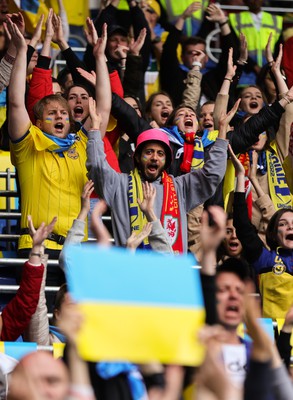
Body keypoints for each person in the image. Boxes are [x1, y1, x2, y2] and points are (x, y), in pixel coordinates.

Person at [7, 19, 110, 284]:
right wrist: (21, 51)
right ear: (39, 123)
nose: (61, 116)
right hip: (36, 247)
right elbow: (17, 102)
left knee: (72, 324)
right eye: (52, 113)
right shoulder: (29, 144)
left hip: (78, 251)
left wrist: (100, 58)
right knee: (36, 323)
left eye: (64, 113)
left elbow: (104, 108)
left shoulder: (80, 143)